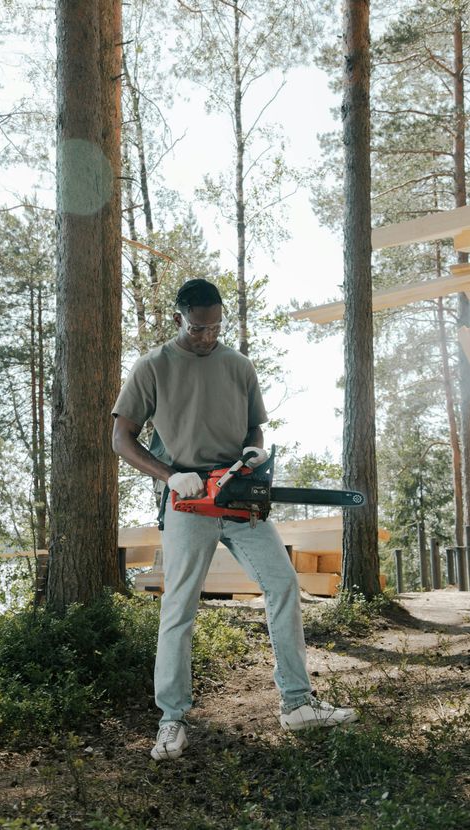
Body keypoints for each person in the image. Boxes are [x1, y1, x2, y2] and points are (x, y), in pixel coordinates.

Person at [112, 278, 357, 762]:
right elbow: (122, 438)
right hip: (187, 501)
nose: (208, 335)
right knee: (178, 607)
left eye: (216, 326)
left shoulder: (238, 365)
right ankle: (172, 719)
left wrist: (253, 453)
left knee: (284, 583)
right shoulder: (152, 367)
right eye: (199, 327)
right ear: (179, 318)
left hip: (239, 494)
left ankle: (297, 703)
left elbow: (255, 427)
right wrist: (169, 476)